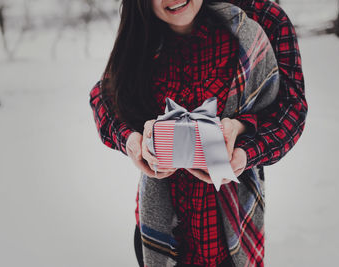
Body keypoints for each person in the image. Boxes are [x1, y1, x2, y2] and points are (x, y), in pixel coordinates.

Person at [89, 0, 307, 266]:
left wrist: (242, 143)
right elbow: (104, 96)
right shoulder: (143, 28)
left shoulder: (264, 19)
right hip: (161, 231)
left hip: (234, 229)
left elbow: (291, 108)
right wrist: (132, 141)